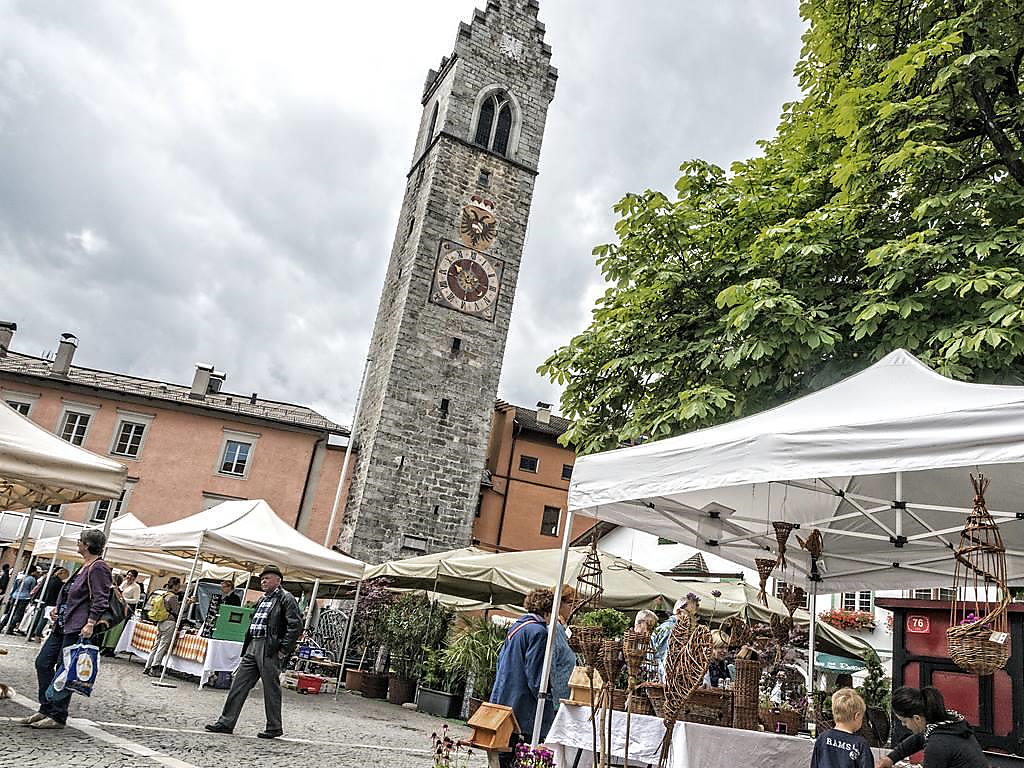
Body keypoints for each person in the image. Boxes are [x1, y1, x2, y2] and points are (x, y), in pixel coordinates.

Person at [21, 529, 111, 729]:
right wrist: (57, 610)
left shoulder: (98, 568)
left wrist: (90, 622)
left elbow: (100, 598)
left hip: (76, 627)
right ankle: (46, 707)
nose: (77, 543)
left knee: (65, 670)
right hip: (62, 624)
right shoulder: (84, 566)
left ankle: (58, 715)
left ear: (87, 545)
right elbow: (72, 594)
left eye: (80, 541)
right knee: (43, 662)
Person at [205, 565, 301, 739]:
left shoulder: (286, 598)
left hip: (269, 647)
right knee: (238, 684)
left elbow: (295, 626)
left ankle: (274, 727)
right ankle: (226, 722)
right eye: (262, 578)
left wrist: (283, 650)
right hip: (253, 645)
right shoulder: (262, 599)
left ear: (278, 581)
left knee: (271, 688)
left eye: (268, 578)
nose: (264, 581)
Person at [490, 588, 561, 766]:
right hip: (522, 706)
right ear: (549, 610)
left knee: (502, 752)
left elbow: (501, 661)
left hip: (504, 698)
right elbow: (536, 676)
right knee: (518, 755)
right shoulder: (539, 632)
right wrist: (548, 697)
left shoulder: (518, 626)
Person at [877, 686, 987, 768]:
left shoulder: (938, 744)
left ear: (917, 719)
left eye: (904, 721)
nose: (903, 725)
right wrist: (891, 758)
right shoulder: (948, 724)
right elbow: (919, 738)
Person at [811, 688, 872, 768]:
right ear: (856, 716)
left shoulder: (822, 738)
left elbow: (814, 764)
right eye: (862, 718)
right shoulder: (860, 744)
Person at [143, 576, 182, 676]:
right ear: (176, 585)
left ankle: (147, 666)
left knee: (156, 645)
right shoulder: (173, 597)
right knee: (162, 646)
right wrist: (187, 604)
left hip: (160, 621)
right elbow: (177, 611)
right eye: (179, 585)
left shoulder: (163, 594)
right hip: (169, 622)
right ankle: (155, 668)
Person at [550, 586, 577, 711]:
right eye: (571, 603)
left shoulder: (562, 627)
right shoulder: (554, 629)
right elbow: (551, 668)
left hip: (565, 701)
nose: (574, 607)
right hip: (556, 704)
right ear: (559, 603)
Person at [27, 568, 69, 642]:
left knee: (36, 618)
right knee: (43, 620)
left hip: (41, 600)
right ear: (62, 574)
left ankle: (29, 633)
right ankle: (37, 635)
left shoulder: (48, 579)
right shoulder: (59, 583)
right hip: (50, 603)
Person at [650, 598, 687, 680]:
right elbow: (664, 658)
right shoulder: (671, 628)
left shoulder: (667, 626)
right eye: (690, 613)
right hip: (661, 678)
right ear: (679, 611)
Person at [5, 565, 40, 634]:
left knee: (10, 612)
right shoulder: (32, 579)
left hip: (15, 595)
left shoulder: (19, 577)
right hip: (25, 597)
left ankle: (2, 625)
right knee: (18, 614)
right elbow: (31, 590)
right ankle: (10, 628)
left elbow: (14, 586)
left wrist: (11, 595)